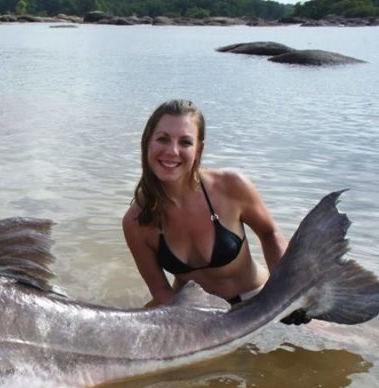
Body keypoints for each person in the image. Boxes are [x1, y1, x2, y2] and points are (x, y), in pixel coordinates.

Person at [123, 99, 296, 314]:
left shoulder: (231, 185)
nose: (172, 151)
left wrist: (286, 292)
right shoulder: (136, 221)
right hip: (193, 313)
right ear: (147, 142)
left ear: (199, 149)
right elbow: (160, 290)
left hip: (256, 298)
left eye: (185, 142)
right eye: (163, 139)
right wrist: (191, 325)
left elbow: (270, 233)